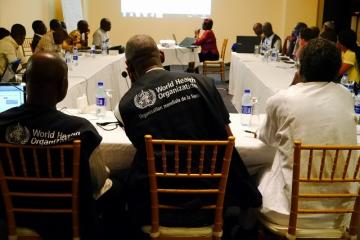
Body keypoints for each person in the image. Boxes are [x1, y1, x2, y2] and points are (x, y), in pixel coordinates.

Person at [115, 34, 261, 238]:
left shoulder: (124, 106)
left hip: (158, 210)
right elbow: (228, 140)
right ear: (162, 56)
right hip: (212, 204)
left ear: (128, 67)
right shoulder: (204, 83)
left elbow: (141, 147)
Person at [0, 52, 123, 239]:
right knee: (118, 187)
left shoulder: (2, 124)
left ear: (25, 79)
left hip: (15, 218)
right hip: (68, 220)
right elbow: (97, 182)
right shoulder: (82, 130)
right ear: (64, 86)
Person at [258, 38, 357, 228]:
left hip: (288, 215)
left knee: (258, 171)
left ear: (300, 67)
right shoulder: (346, 96)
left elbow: (267, 139)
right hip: (341, 214)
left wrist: (294, 84)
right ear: (337, 70)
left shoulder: (281, 99)